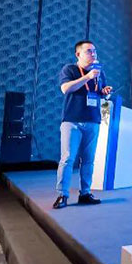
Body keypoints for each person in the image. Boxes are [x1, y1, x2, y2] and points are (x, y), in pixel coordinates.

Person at [54, 40, 112, 209]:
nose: (93, 54)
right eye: (89, 51)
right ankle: (62, 195)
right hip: (72, 121)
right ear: (78, 54)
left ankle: (85, 193)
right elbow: (65, 89)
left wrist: (105, 92)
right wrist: (87, 77)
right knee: (67, 158)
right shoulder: (70, 69)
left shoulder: (99, 72)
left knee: (88, 160)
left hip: (92, 120)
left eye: (94, 51)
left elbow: (99, 93)